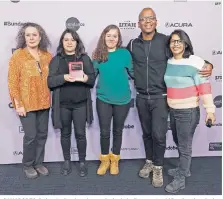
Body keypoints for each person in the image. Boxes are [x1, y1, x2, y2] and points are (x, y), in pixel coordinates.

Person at [126, 7, 213, 187]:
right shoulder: (133, 44)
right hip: (142, 97)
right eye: (144, 18)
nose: (147, 21)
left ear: (156, 22)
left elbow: (186, 58)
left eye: (151, 18)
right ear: (138, 23)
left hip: (161, 97)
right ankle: (150, 161)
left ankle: (158, 167)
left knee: (159, 135)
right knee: (147, 134)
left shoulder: (167, 41)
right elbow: (121, 60)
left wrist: (209, 64)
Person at [163, 29, 216, 193]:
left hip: (188, 112)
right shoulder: (169, 61)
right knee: (178, 142)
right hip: (172, 110)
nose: (176, 44)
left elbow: (204, 88)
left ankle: (180, 179)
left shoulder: (196, 62)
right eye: (173, 41)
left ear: (186, 43)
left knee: (185, 147)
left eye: (179, 41)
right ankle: (184, 168)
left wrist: (210, 111)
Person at [47, 29, 95, 177]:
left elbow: (92, 80)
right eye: (66, 39)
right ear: (62, 42)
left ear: (77, 42)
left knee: (81, 134)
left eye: (72, 40)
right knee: (65, 134)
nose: (69, 42)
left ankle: (82, 162)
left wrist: (84, 78)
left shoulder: (84, 59)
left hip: (80, 104)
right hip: (62, 105)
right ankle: (66, 161)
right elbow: (50, 82)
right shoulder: (56, 59)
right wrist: (64, 77)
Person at [8, 22, 52, 179]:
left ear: (40, 37)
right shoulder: (18, 56)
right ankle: (28, 165)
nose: (31, 37)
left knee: (42, 135)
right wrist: (18, 104)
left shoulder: (47, 56)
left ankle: (38, 163)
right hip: (26, 104)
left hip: (45, 102)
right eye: (28, 35)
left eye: (35, 34)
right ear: (24, 37)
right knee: (30, 136)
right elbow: (13, 83)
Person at [92, 24, 134, 175]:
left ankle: (115, 160)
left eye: (114, 36)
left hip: (123, 99)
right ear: (104, 36)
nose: (111, 38)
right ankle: (105, 160)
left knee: (118, 131)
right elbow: (91, 76)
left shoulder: (124, 54)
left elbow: (134, 73)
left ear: (118, 39)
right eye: (108, 35)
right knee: (104, 131)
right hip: (103, 99)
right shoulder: (98, 55)